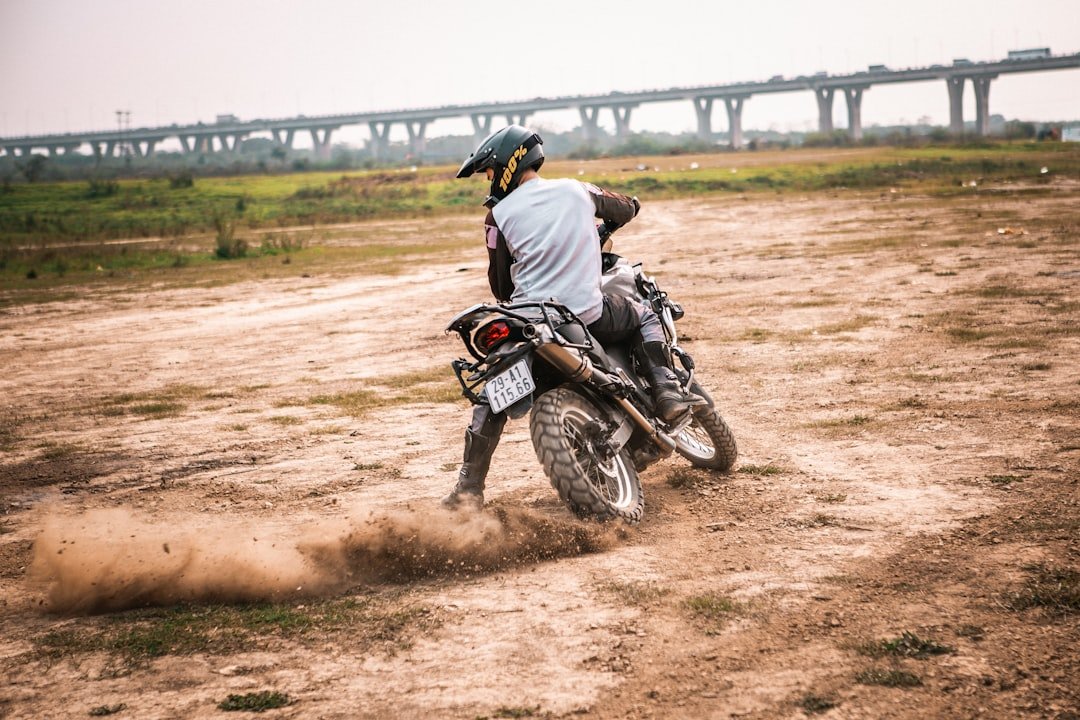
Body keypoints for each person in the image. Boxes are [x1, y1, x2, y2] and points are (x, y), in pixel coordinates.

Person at [442, 125, 701, 509]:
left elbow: (500, 288)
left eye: (490, 172)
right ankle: (666, 393)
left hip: (529, 321)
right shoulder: (576, 190)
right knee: (645, 315)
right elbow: (627, 205)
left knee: (491, 395)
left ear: (510, 164)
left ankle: (468, 488)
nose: (490, 181)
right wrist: (609, 220)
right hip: (585, 314)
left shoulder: (496, 218)